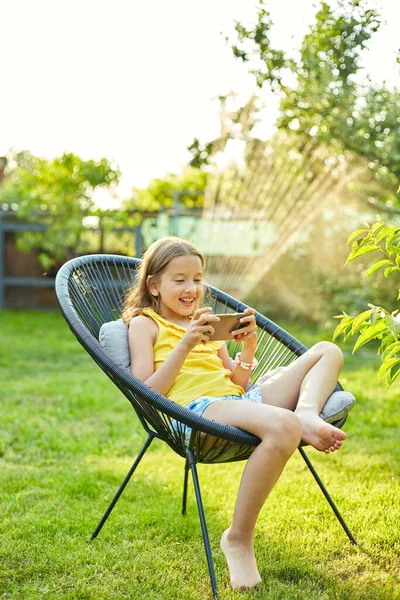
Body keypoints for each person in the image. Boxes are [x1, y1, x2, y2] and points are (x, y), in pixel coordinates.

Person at [122, 236, 347, 591]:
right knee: (284, 425)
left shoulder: (206, 323)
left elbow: (238, 385)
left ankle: (306, 411)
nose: (191, 288)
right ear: (154, 285)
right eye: (179, 279)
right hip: (194, 413)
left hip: (234, 403)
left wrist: (247, 348)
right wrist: (185, 343)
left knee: (327, 350)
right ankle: (238, 537)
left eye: (197, 279)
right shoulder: (145, 324)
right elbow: (148, 392)